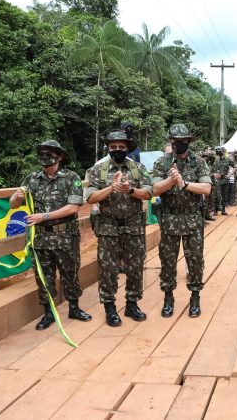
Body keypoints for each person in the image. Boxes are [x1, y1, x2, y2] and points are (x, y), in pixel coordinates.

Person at [10, 140, 92, 330]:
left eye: (50, 153)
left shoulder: (71, 178)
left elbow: (73, 207)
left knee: (70, 273)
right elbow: (14, 204)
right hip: (40, 239)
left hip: (64, 236)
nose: (46, 156)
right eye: (43, 153)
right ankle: (48, 313)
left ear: (59, 156)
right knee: (43, 277)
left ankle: (74, 308)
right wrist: (15, 197)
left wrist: (44, 216)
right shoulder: (31, 179)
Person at [85, 131, 153, 327]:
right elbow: (90, 197)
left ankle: (132, 304)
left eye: (121, 147)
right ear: (108, 148)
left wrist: (130, 190)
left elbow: (149, 193)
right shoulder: (97, 170)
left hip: (133, 226)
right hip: (108, 227)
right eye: (113, 147)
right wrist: (111, 188)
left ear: (127, 148)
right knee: (108, 269)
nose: (117, 150)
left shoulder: (138, 168)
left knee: (135, 267)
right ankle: (110, 308)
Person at [151, 124, 212, 318]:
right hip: (169, 219)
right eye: (176, 141)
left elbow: (206, 188)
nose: (180, 144)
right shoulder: (162, 162)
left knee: (195, 260)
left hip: (193, 219)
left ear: (189, 141)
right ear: (170, 141)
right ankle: (168, 298)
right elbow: (153, 189)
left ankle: (195, 298)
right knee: (167, 261)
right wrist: (170, 180)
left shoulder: (198, 161)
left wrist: (184, 184)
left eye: (183, 140)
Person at [212, 146, 233, 215]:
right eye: (218, 151)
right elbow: (209, 167)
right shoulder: (214, 159)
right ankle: (215, 210)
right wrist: (213, 174)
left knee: (224, 195)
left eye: (220, 151)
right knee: (216, 195)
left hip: (225, 180)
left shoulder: (228, 160)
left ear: (223, 152)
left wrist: (230, 174)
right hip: (217, 180)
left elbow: (235, 166)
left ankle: (223, 210)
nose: (219, 152)